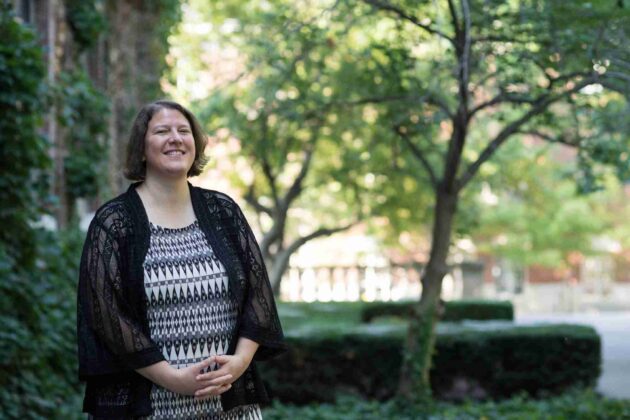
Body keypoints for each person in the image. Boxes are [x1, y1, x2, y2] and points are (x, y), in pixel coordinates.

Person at [77, 100, 286, 419]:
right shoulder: (114, 222)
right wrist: (174, 380)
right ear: (142, 149)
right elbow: (106, 314)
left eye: (184, 131)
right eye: (162, 131)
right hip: (148, 407)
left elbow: (257, 295)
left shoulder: (223, 212)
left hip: (229, 404)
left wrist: (240, 362)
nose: (175, 138)